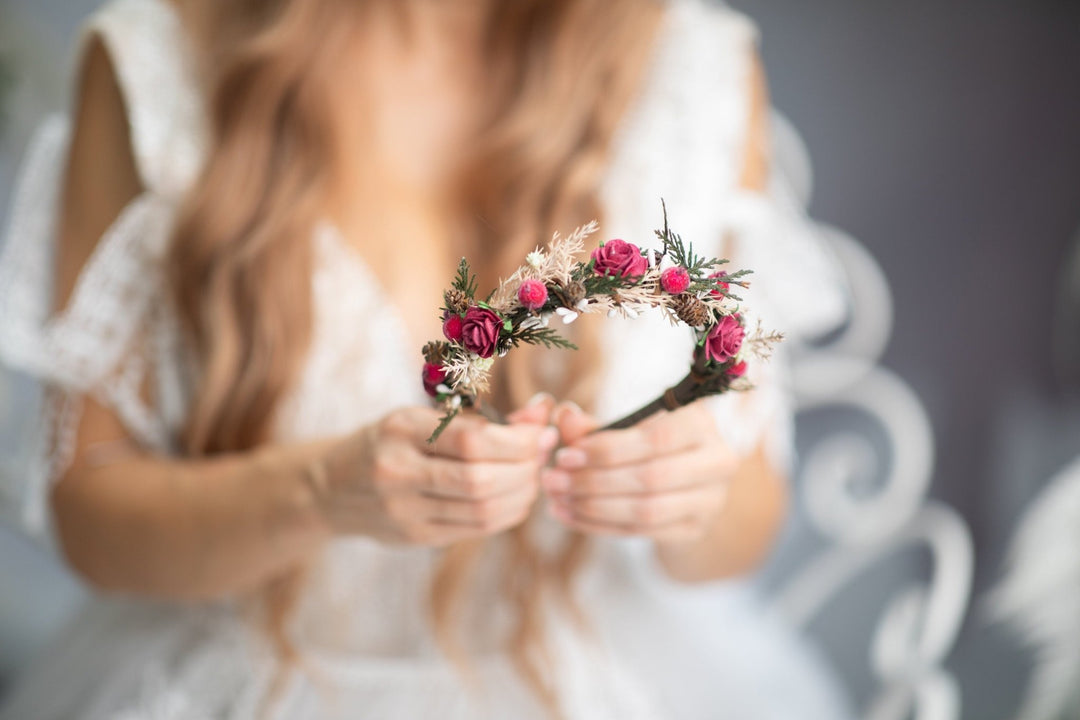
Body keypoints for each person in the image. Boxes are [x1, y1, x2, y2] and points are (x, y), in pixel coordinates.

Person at [0, 0, 852, 717]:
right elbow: (91, 509)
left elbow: (749, 506)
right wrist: (318, 490)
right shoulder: (157, 60)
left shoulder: (689, 71)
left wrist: (685, 499)